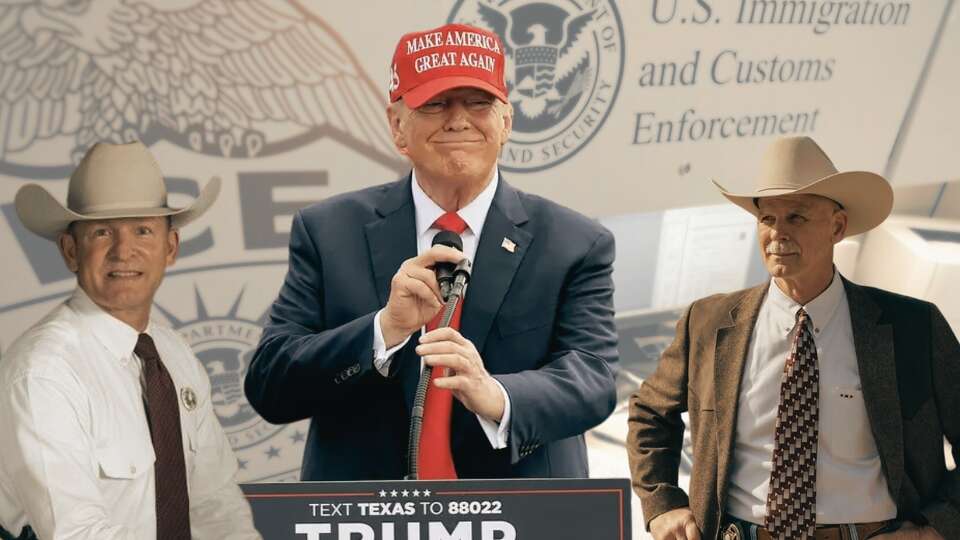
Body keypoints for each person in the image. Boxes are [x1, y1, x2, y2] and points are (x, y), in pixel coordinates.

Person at [244, 23, 618, 480]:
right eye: (436, 103)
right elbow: (270, 386)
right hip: (366, 520)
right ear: (398, 126)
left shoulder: (575, 242)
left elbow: (595, 381)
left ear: (507, 122)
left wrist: (495, 394)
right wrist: (384, 330)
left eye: (479, 103)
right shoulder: (327, 231)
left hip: (523, 517)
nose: (458, 119)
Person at [627, 136, 959, 540]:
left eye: (797, 218)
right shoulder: (708, 322)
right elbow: (649, 413)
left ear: (837, 227)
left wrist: (934, 530)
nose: (777, 234)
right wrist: (662, 504)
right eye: (767, 218)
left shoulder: (913, 327)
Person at [0, 141, 261, 540]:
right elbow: (75, 534)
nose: (124, 251)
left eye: (142, 230)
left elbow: (214, 503)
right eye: (102, 232)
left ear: (169, 247)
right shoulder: (44, 372)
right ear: (71, 251)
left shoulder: (175, 356)